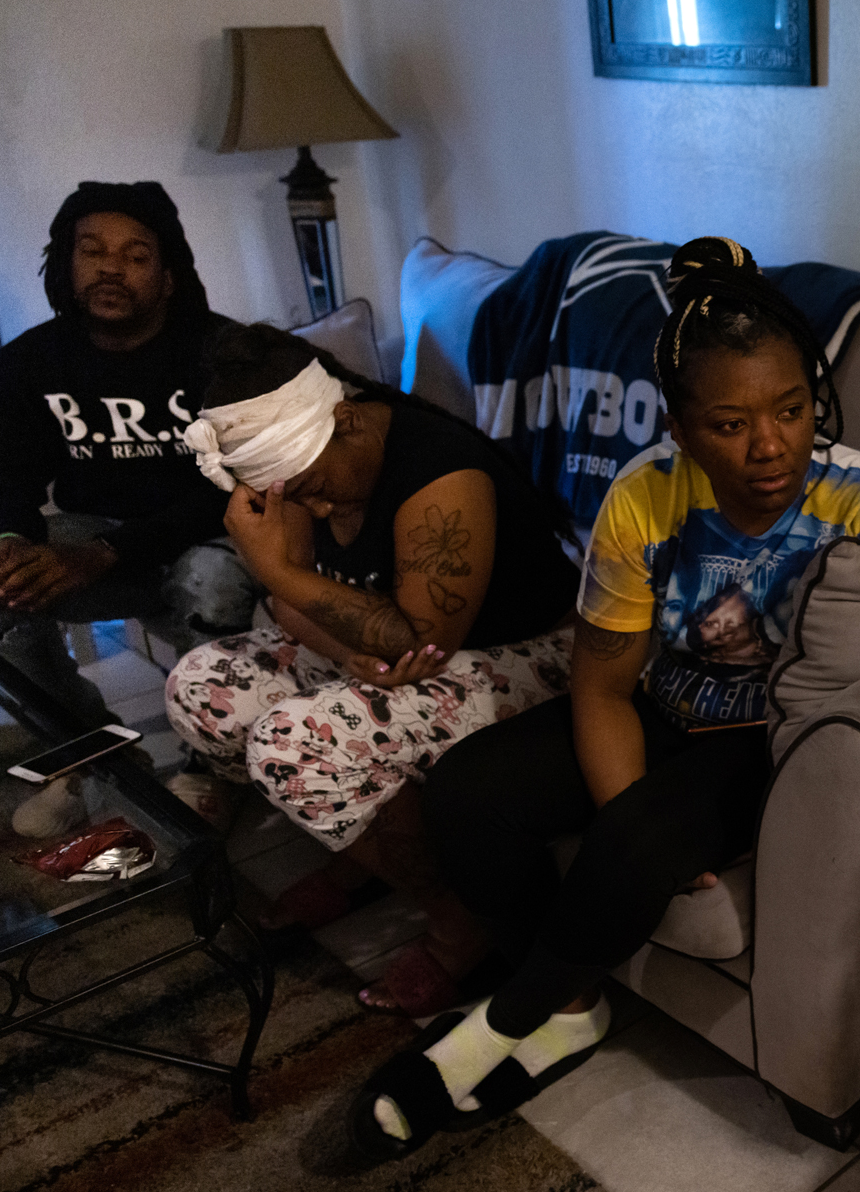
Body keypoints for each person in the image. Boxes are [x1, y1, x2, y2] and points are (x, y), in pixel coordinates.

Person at [348, 237, 860, 1156]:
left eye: (791, 409)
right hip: (664, 707)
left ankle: (495, 1029)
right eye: (730, 423)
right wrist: (627, 818)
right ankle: (569, 1008)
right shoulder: (644, 498)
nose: (770, 446)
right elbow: (603, 687)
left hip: (764, 746)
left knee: (639, 839)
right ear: (682, 428)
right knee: (466, 793)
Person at [162, 321, 581, 1013]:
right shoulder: (304, 471)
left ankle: (459, 922)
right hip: (409, 652)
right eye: (297, 497)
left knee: (295, 747)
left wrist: (277, 570)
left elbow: (418, 639)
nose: (317, 508)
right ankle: (369, 866)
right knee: (205, 689)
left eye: (317, 489)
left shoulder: (441, 473)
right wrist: (346, 648)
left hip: (534, 658)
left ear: (349, 420)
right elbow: (292, 607)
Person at [0, 182, 258, 836]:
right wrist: (6, 546)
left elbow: (233, 489)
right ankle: (92, 757)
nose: (110, 268)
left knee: (211, 578)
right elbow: (4, 479)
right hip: (99, 538)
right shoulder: (29, 361)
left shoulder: (221, 351)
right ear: (66, 263)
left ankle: (214, 765)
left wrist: (105, 553)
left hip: (205, 534)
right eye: (92, 251)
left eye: (135, 255)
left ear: (168, 274)